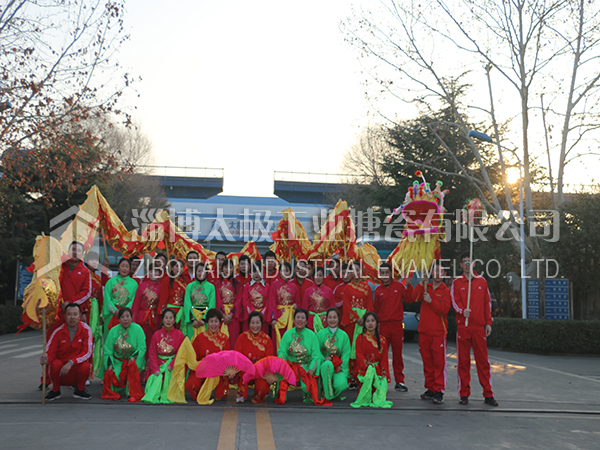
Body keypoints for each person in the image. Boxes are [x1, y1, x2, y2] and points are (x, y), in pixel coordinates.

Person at [451, 252, 498, 406]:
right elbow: (454, 301)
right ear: (461, 265)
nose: (467, 264)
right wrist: (461, 311)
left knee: (483, 361)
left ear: (474, 264)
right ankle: (464, 394)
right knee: (463, 362)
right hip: (463, 327)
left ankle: (488, 394)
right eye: (464, 262)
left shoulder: (482, 281)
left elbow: (487, 303)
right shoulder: (457, 283)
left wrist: (488, 322)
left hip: (478, 327)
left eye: (469, 261)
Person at [408, 260, 451, 404]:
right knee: (427, 362)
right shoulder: (427, 286)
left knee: (439, 363)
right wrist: (421, 283)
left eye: (441, 271)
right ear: (431, 272)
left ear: (444, 274)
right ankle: (430, 388)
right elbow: (414, 297)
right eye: (435, 271)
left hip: (438, 333)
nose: (437, 274)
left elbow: (444, 310)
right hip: (424, 331)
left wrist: (431, 300)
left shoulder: (446, 291)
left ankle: (439, 390)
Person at [40, 303, 93, 401]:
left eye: (75, 314)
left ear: (80, 316)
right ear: (64, 316)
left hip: (76, 368)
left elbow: (87, 352)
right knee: (55, 364)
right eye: (69, 314)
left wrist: (71, 362)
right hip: (61, 371)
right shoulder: (58, 332)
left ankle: (79, 390)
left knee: (86, 366)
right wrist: (46, 359)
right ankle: (55, 390)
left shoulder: (86, 330)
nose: (72, 317)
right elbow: (50, 352)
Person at [374, 262, 413, 392]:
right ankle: (382, 380)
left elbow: (409, 299)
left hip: (397, 325)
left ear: (391, 273)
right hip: (383, 326)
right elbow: (375, 309)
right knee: (382, 355)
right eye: (382, 273)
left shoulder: (399, 286)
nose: (385, 275)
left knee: (397, 355)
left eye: (387, 272)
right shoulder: (378, 290)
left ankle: (399, 381)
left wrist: (409, 285)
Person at [276, 308, 328, 406]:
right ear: (294, 319)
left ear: (307, 321)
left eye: (303, 318)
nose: (300, 320)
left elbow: (316, 355)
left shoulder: (312, 335)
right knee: (282, 380)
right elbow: (282, 351)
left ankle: (307, 396)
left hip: (305, 366)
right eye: (298, 317)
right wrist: (283, 360)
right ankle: (281, 396)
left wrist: (312, 368)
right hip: (291, 365)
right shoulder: (287, 334)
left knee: (307, 387)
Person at [100, 307, 146, 402]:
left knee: (132, 369)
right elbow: (108, 350)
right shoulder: (113, 331)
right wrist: (110, 364)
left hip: (132, 361)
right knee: (113, 376)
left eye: (127, 316)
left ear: (132, 317)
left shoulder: (138, 329)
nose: (125, 319)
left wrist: (134, 357)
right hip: (118, 362)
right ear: (119, 319)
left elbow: (142, 348)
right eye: (122, 317)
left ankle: (130, 391)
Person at [185, 308, 231, 403]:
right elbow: (193, 356)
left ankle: (213, 390)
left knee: (219, 396)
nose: (213, 324)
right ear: (207, 322)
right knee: (191, 385)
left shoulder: (224, 339)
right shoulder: (200, 337)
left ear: (220, 323)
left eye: (216, 321)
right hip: (202, 368)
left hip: (217, 372)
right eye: (211, 321)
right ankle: (202, 393)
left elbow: (227, 359)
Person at [142, 308, 186, 404]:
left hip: (172, 365)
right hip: (158, 365)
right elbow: (152, 354)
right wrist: (156, 369)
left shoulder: (180, 335)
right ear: (162, 320)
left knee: (168, 380)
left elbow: (181, 353)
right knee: (156, 379)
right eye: (166, 318)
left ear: (174, 320)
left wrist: (171, 365)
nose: (168, 320)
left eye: (171, 318)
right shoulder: (156, 335)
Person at [341, 260, 373, 388]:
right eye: (353, 270)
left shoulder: (367, 287)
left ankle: (361, 375)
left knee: (361, 350)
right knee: (350, 349)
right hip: (351, 324)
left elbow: (369, 305)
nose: (356, 272)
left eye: (358, 270)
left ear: (362, 272)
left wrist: (364, 319)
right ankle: (351, 377)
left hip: (363, 324)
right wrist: (356, 318)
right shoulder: (347, 288)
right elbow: (347, 306)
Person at [351, 311, 392, 408]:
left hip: (377, 370)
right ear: (364, 323)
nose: (370, 323)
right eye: (368, 321)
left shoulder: (382, 340)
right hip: (365, 370)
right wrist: (368, 367)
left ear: (376, 323)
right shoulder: (360, 338)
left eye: (372, 321)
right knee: (367, 389)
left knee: (379, 392)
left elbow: (384, 359)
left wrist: (384, 373)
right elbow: (359, 356)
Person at [234, 311, 274, 403]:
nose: (255, 326)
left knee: (262, 387)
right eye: (252, 323)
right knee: (244, 375)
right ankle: (241, 394)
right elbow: (238, 356)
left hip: (261, 371)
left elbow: (269, 360)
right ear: (248, 324)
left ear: (261, 324)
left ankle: (257, 395)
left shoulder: (267, 339)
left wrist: (269, 374)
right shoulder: (242, 337)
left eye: (257, 323)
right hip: (246, 369)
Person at [317, 307, 350, 400]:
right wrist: (323, 359)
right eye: (330, 317)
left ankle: (331, 392)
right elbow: (316, 351)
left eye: (334, 317)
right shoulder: (320, 334)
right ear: (326, 319)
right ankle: (327, 395)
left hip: (338, 368)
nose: (332, 320)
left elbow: (346, 354)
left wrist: (340, 366)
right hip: (324, 366)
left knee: (341, 385)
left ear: (338, 318)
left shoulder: (344, 335)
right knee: (327, 364)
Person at [57, 241, 91, 327]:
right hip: (57, 311)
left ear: (82, 254)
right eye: (73, 249)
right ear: (68, 251)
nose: (75, 252)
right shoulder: (59, 266)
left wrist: (70, 303)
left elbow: (86, 292)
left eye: (78, 250)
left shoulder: (85, 271)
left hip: (74, 313)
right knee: (55, 334)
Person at [102, 258, 138, 335]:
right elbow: (107, 298)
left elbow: (134, 300)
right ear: (118, 268)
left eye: (127, 267)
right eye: (122, 266)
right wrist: (115, 310)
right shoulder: (110, 281)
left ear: (130, 269)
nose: (124, 268)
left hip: (126, 316)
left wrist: (124, 312)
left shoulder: (134, 284)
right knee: (110, 336)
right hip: (112, 314)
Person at [131, 263, 162, 353]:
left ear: (160, 273)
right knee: (141, 341)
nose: (153, 273)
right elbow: (136, 304)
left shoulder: (162, 286)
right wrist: (133, 319)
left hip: (155, 318)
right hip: (141, 318)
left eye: (156, 271)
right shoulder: (142, 285)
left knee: (153, 342)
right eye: (151, 271)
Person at [181, 262, 216, 340]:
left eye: (203, 271)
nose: (201, 273)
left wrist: (204, 319)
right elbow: (187, 304)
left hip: (206, 319)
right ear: (195, 272)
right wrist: (193, 319)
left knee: (205, 340)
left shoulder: (211, 287)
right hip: (192, 319)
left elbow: (212, 305)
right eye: (199, 271)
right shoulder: (189, 286)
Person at [271, 261, 300, 349]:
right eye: (282, 271)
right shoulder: (274, 285)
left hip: (290, 317)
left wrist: (295, 305)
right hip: (279, 317)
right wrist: (273, 318)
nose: (284, 273)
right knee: (278, 339)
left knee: (290, 339)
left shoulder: (294, 286)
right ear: (279, 272)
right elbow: (272, 302)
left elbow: (298, 301)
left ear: (290, 272)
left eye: (287, 271)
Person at [215, 259, 243, 347]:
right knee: (220, 342)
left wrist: (231, 314)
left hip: (233, 317)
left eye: (230, 267)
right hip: (221, 317)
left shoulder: (238, 283)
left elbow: (239, 300)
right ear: (222, 268)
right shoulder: (218, 283)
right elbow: (218, 300)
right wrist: (223, 314)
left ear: (233, 269)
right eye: (226, 267)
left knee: (233, 341)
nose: (228, 269)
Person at [241, 261, 274, 333]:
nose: (256, 274)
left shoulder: (267, 286)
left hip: (263, 317)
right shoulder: (247, 286)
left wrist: (261, 313)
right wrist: (253, 312)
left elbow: (268, 302)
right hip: (249, 316)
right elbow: (245, 300)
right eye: (254, 271)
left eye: (259, 271)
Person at [302, 266, 334, 332]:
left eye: (320, 275)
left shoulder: (329, 291)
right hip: (311, 321)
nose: (318, 278)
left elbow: (332, 307)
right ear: (313, 277)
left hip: (325, 321)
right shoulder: (308, 291)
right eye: (316, 275)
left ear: (324, 277)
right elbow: (304, 308)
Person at [158, 259, 187, 326]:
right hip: (170, 312)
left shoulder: (185, 282)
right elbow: (163, 297)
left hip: (181, 312)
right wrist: (163, 311)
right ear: (172, 268)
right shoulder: (166, 280)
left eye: (181, 267)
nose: (179, 268)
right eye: (177, 266)